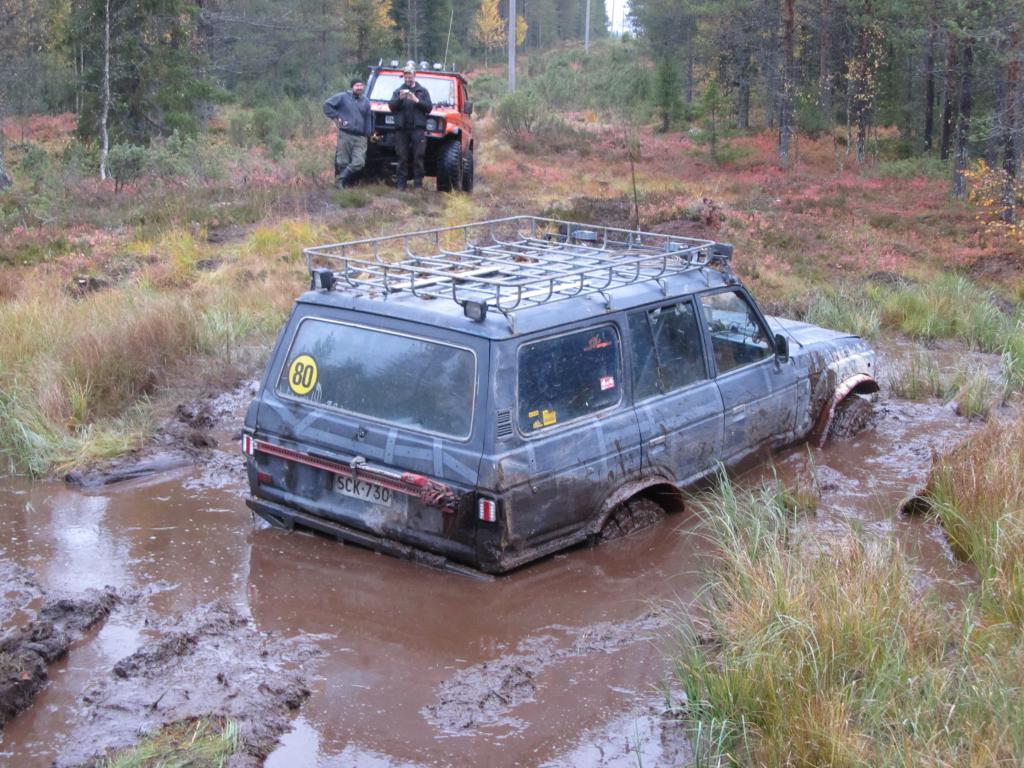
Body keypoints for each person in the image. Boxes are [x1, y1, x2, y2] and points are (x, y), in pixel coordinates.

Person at [388, 64, 432, 189]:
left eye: (410, 77)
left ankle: (418, 185)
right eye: (406, 77)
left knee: (418, 156)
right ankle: (401, 184)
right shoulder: (398, 91)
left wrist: (416, 100)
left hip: (418, 129)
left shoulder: (422, 91)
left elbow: (429, 108)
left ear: (414, 76)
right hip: (401, 129)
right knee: (402, 157)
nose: (408, 79)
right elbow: (391, 107)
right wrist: (400, 99)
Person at [323, 78, 372, 188]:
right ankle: (342, 185)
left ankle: (340, 179)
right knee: (342, 162)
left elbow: (368, 118)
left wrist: (368, 134)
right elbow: (327, 105)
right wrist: (336, 116)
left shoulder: (366, 101)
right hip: (346, 134)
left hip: (360, 137)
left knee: (359, 162)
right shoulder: (343, 97)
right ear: (352, 87)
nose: (359, 87)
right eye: (357, 85)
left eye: (361, 85)